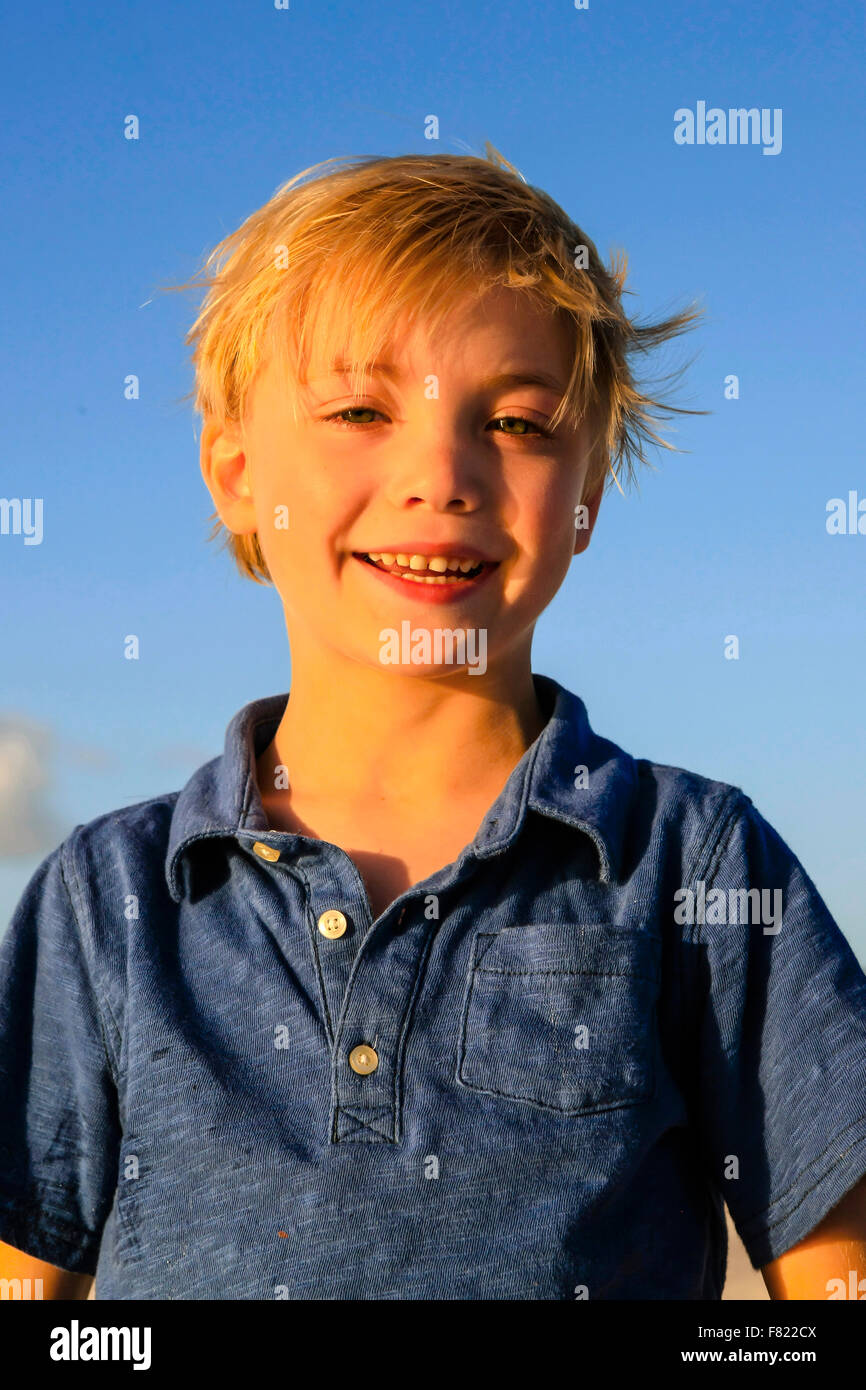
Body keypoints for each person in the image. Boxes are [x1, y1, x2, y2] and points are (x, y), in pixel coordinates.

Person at [1, 147, 865, 1300]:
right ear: (232, 466)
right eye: (360, 408)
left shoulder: (692, 862)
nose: (441, 471)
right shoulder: (108, 900)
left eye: (514, 421)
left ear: (589, 488)